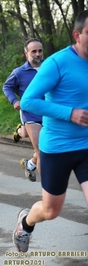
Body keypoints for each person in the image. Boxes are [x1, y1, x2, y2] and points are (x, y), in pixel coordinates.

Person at [12, 10, 88, 253]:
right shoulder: (57, 63)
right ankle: (26, 223)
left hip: (86, 145)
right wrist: (70, 113)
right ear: (78, 35)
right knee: (50, 210)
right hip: (57, 147)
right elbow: (29, 101)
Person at [3, 38, 44, 182]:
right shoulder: (19, 72)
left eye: (40, 51)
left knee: (47, 149)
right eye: (34, 51)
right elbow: (6, 87)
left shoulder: (49, 68)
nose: (37, 54)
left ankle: (30, 164)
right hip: (30, 114)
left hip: (49, 114)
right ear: (26, 54)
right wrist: (14, 101)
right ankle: (48, 192)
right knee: (42, 151)